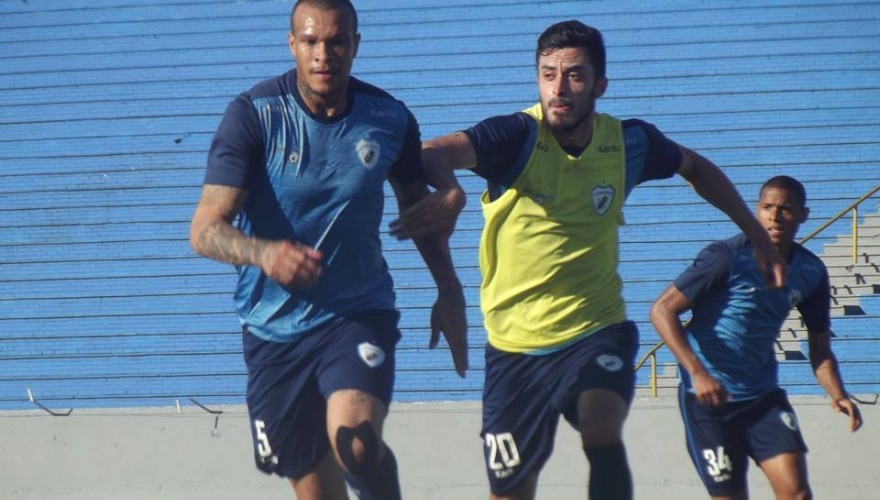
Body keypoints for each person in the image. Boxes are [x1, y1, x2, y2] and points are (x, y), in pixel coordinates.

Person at [390, 19, 788, 500]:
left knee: (601, 428)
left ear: (600, 84)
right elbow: (430, 151)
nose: (559, 88)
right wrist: (451, 192)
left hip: (594, 328)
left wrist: (757, 238)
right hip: (514, 346)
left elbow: (697, 168)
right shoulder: (515, 136)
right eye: (548, 74)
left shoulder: (628, 143)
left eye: (575, 75)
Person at [188, 1, 468, 498]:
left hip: (358, 311)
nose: (325, 55)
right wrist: (263, 254)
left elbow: (420, 214)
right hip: (272, 330)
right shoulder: (254, 115)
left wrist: (449, 291)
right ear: (292, 44)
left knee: (356, 442)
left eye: (337, 42)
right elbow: (206, 229)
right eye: (312, 42)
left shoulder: (388, 118)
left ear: (356, 45)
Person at [650, 175, 862, 500]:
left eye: (786, 209)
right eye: (767, 208)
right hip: (708, 403)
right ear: (757, 210)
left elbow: (820, 348)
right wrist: (697, 372)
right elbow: (662, 311)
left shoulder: (811, 272)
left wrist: (838, 393)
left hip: (763, 401)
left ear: (804, 214)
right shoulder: (726, 257)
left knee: (797, 494)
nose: (775, 217)